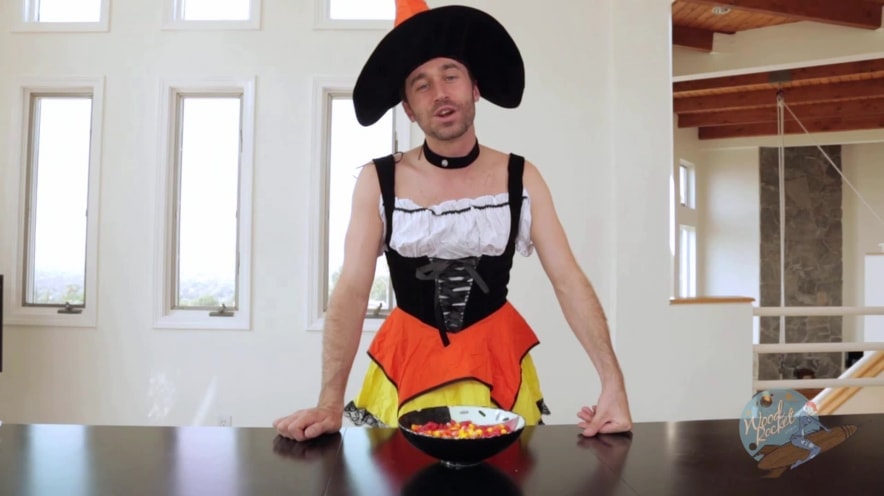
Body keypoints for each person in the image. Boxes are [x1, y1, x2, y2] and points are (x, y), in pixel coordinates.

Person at [274, 0, 632, 441]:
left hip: (497, 368)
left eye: (450, 75)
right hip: (406, 370)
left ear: (474, 88)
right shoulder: (378, 180)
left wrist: (613, 383)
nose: (439, 93)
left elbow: (568, 280)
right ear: (408, 108)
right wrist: (330, 402)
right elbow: (351, 290)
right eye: (421, 84)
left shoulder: (521, 177)